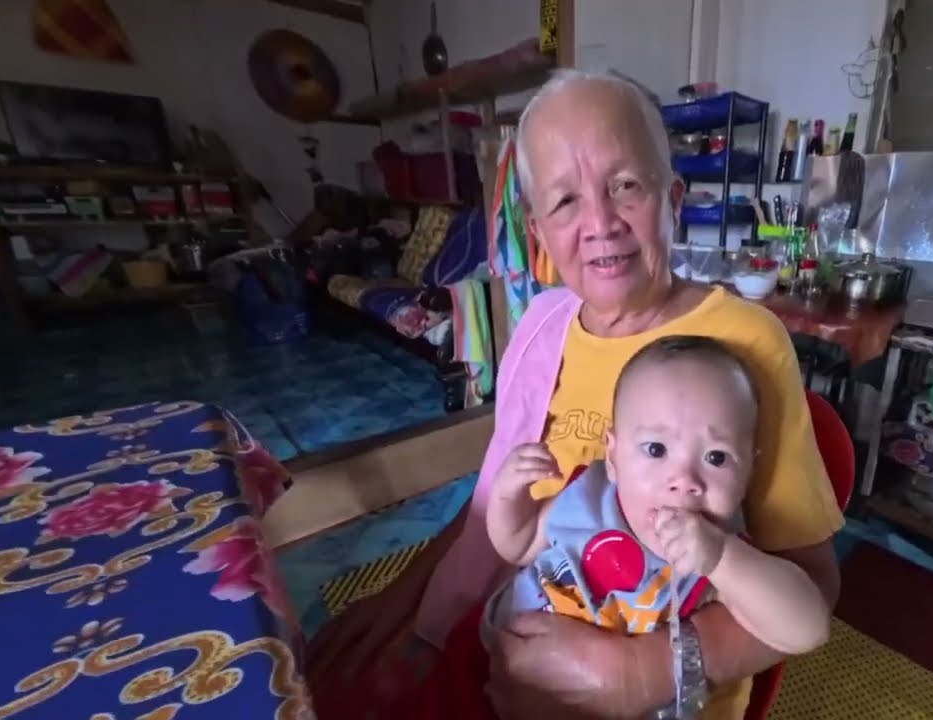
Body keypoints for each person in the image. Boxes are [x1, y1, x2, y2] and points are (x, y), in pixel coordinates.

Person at [307, 69, 844, 720]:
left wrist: (644, 671)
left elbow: (814, 584)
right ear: (538, 234)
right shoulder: (542, 332)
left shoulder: (747, 341)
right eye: (565, 201)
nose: (600, 223)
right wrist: (407, 602)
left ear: (673, 199)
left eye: (625, 186)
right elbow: (501, 509)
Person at [483, 335, 831, 664]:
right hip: (498, 655)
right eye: (656, 449)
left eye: (716, 458)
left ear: (749, 472)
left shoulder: (715, 561)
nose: (684, 480)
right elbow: (518, 544)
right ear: (614, 456)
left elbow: (809, 631)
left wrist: (723, 558)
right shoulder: (588, 498)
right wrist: (506, 495)